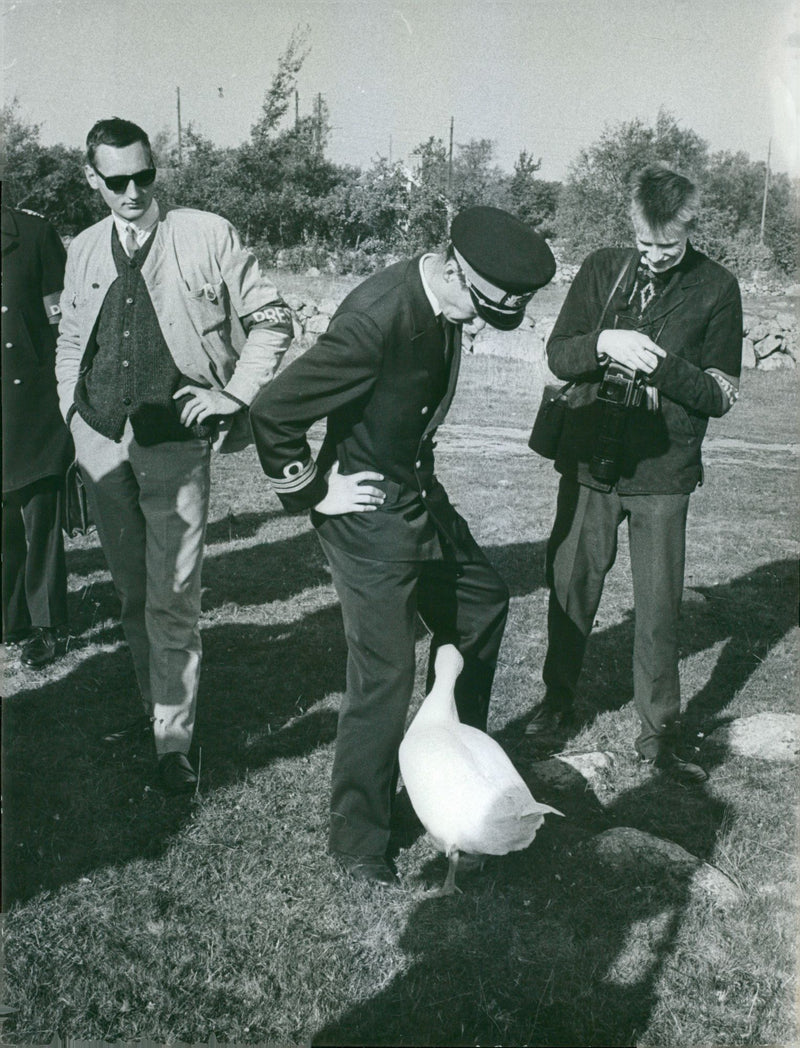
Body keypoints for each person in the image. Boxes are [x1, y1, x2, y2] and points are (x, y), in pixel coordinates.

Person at [250, 206, 556, 883]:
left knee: (482, 602)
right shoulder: (376, 318)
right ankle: (359, 839)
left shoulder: (444, 301)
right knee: (384, 674)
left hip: (418, 492)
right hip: (365, 515)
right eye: (481, 308)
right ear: (454, 269)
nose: (479, 323)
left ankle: (455, 772)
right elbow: (272, 410)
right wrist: (309, 492)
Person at [55, 118, 293, 794]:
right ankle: (156, 711)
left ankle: (173, 744)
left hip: (177, 446)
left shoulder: (206, 234)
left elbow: (274, 320)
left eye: (144, 176)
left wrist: (236, 395)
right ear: (92, 179)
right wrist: (72, 416)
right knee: (133, 594)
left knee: (174, 598)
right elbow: (72, 338)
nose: (133, 192)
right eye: (116, 181)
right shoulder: (85, 247)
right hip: (101, 439)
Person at [524, 164, 743, 785]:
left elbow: (722, 396)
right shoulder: (601, 268)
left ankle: (660, 730)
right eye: (643, 243)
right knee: (571, 587)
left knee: (658, 607)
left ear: (690, 229)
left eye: (666, 246)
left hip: (664, 474)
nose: (651, 258)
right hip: (590, 465)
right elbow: (559, 354)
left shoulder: (718, 287)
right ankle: (557, 701)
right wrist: (605, 344)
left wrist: (663, 367)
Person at [2, 205, 73, 667]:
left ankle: (47, 626)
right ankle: (11, 621)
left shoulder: (33, 232)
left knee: (39, 515)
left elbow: (64, 322)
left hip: (31, 402)